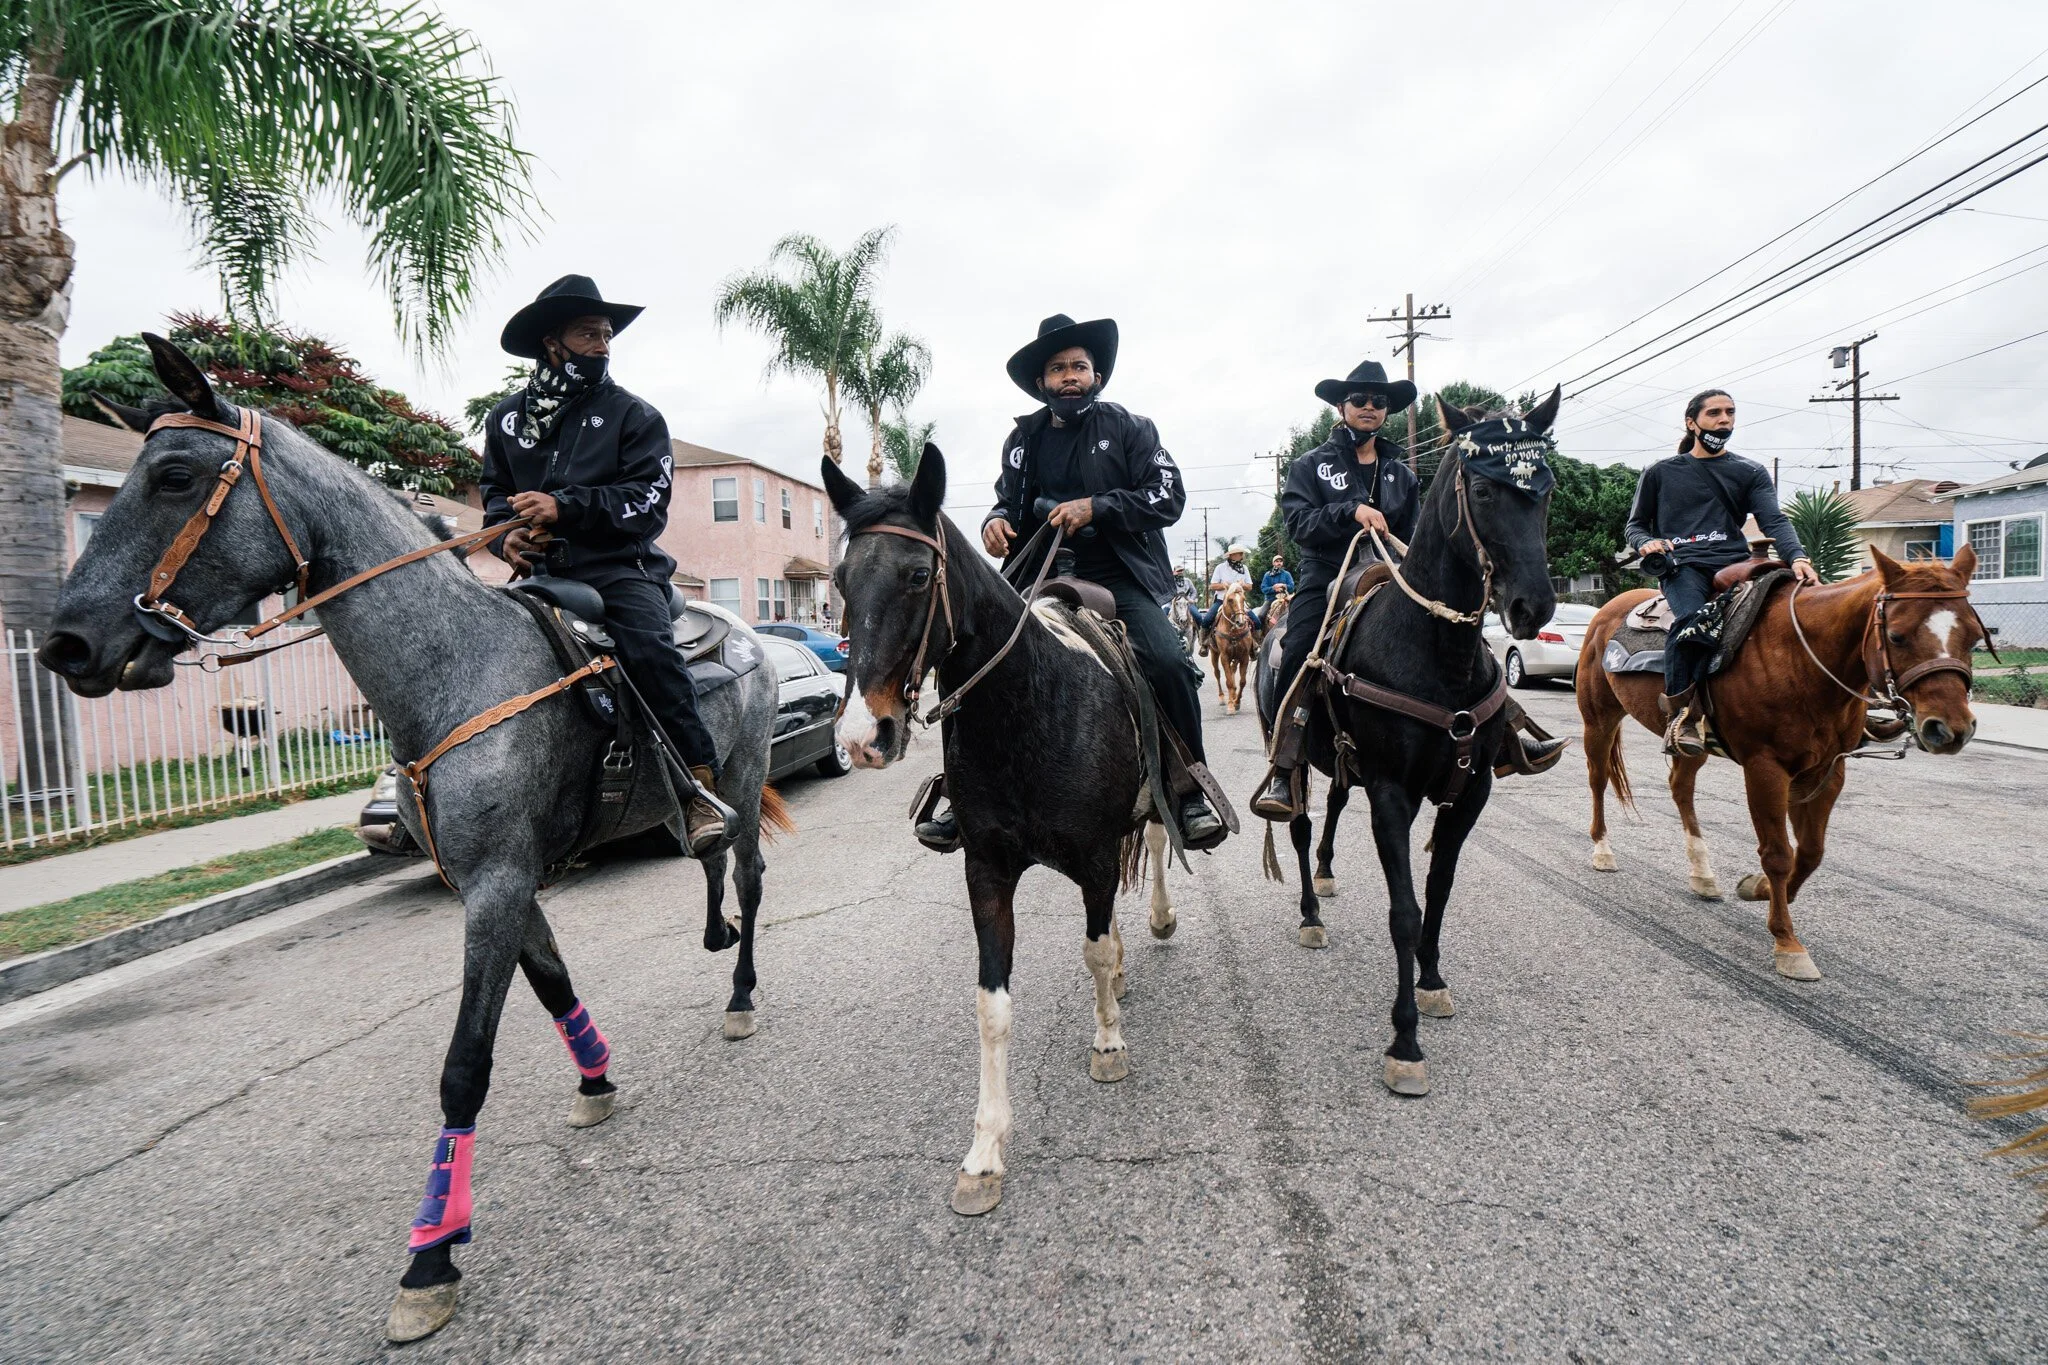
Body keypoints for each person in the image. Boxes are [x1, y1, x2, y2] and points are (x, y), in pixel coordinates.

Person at [922, 313, 1226, 848]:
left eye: (1079, 367)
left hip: (1118, 573)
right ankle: (959, 788)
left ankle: (1189, 788)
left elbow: (1168, 497)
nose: (1069, 376)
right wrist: (995, 522)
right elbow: (1006, 500)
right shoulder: (1022, 439)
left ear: (1097, 376)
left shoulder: (1131, 428)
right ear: (1042, 382)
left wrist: (1097, 507)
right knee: (967, 659)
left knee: (1169, 661)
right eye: (1058, 368)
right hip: (1037, 570)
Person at [480, 274, 728, 856]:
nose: (602, 344)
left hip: (621, 568)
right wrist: (505, 540)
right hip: (540, 576)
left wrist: (564, 507)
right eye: (588, 333)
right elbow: (494, 494)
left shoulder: (634, 416)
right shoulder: (506, 421)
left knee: (650, 653)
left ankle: (697, 786)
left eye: (606, 335)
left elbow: (647, 502)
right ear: (552, 342)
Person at [1251, 361, 1563, 820]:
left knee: (1460, 635)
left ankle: (1505, 731)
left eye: (1379, 402)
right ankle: (1284, 763)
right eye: (1360, 400)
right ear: (1342, 406)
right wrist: (1350, 512)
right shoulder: (1310, 465)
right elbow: (1297, 524)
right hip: (1328, 572)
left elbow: (1421, 534)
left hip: (1394, 571)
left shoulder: (1402, 473)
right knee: (1297, 647)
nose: (1370, 407)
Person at [1625, 388, 1818, 756]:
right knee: (1693, 623)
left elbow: (1773, 520)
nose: (1724, 419)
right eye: (1714, 413)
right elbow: (1635, 526)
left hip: (1737, 563)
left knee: (1798, 612)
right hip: (1685, 566)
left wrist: (1797, 557)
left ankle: (1855, 706)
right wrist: (1646, 543)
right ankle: (1681, 718)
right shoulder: (1661, 473)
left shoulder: (1750, 472)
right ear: (1692, 422)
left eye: (1730, 412)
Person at [1193, 544, 1254, 649]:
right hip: (1222, 600)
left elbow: (1250, 586)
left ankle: (1254, 645)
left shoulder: (1244, 568)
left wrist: (1242, 585)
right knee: (1207, 619)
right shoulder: (1220, 568)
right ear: (1232, 555)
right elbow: (1212, 585)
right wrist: (1224, 585)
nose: (1241, 555)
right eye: (1239, 553)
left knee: (1255, 620)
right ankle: (1204, 643)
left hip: (1239, 602)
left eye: (1241, 553)